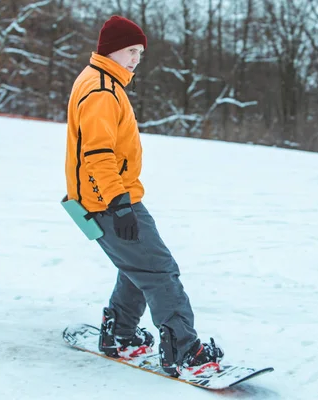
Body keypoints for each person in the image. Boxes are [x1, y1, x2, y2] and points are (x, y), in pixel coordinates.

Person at [63, 15, 223, 376]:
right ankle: (184, 349)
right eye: (131, 50)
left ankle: (120, 333)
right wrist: (119, 204)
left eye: (140, 52)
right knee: (160, 270)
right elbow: (97, 154)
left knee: (139, 266)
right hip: (110, 200)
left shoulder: (100, 81)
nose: (136, 58)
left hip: (101, 199)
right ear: (111, 49)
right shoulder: (102, 90)